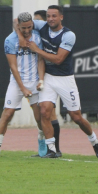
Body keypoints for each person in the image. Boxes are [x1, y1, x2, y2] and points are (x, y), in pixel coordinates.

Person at [22, 5, 98, 159]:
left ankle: (94, 141)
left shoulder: (68, 35)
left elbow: (59, 59)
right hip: (48, 77)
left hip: (65, 79)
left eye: (54, 16)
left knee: (76, 117)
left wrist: (37, 50)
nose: (50, 19)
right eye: (48, 16)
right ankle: (52, 150)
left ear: (61, 17)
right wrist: (22, 33)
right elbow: (19, 22)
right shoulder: (42, 25)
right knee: (44, 111)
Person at [0, 12, 45, 158]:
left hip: (34, 81)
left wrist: (41, 80)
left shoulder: (38, 36)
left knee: (39, 116)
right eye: (23, 28)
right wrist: (23, 88)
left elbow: (40, 60)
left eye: (29, 27)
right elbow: (13, 67)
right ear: (18, 26)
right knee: (7, 114)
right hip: (16, 82)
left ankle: (41, 142)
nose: (27, 31)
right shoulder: (10, 40)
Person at [32, 10, 62, 157]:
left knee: (51, 114)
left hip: (53, 77)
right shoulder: (37, 36)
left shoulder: (51, 35)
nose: (34, 26)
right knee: (43, 115)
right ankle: (47, 149)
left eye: (37, 21)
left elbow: (56, 58)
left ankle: (56, 149)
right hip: (39, 79)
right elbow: (16, 21)